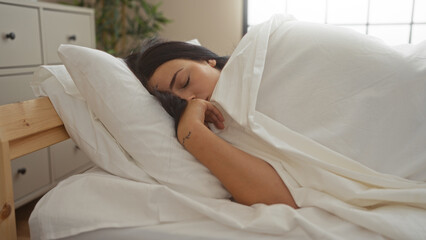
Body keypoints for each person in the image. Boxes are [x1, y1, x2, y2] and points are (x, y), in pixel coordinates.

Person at [126, 38, 298, 208]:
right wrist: (192, 132)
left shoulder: (262, 53)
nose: (188, 99)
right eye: (177, 103)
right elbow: (279, 198)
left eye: (184, 82)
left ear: (207, 60)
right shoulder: (220, 133)